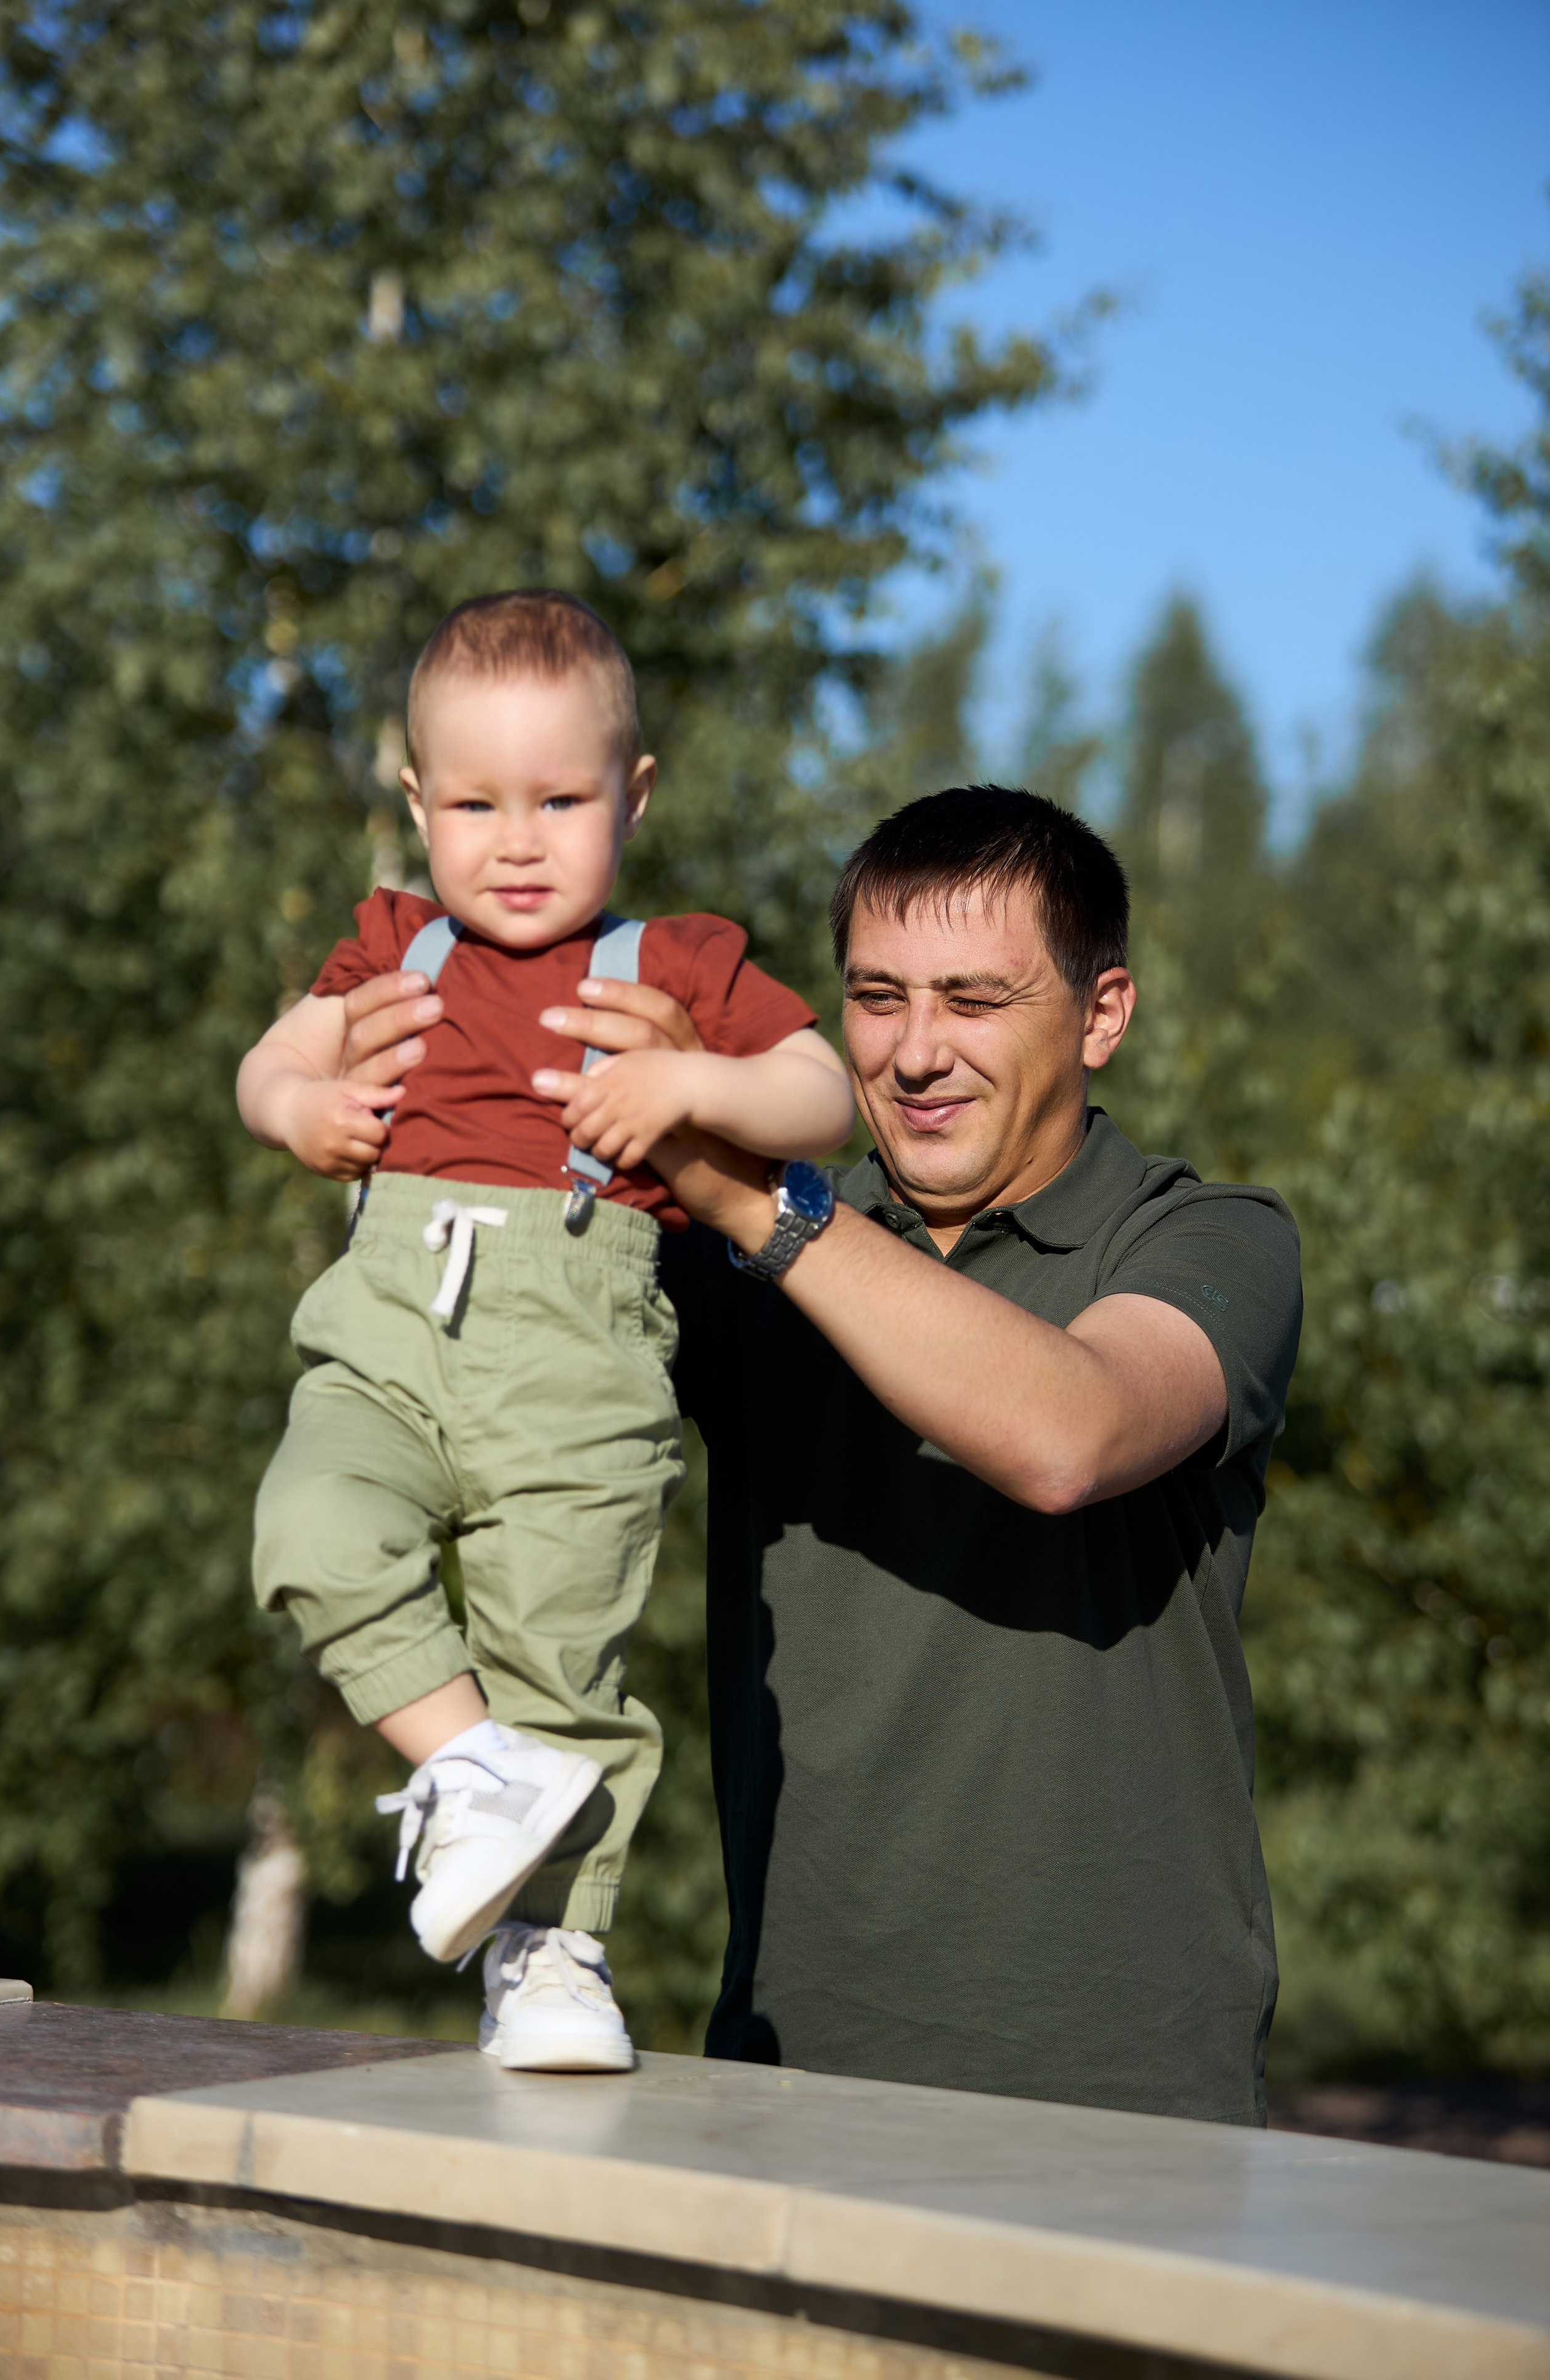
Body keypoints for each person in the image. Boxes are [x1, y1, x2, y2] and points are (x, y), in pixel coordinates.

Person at [324, 783, 1302, 2125]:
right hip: (794, 2067)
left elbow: (1069, 1435)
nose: (913, 1053)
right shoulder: (736, 1255)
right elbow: (486, 1433)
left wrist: (742, 1198)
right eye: (877, 998)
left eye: (974, 1000)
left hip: (1125, 2081)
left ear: (1102, 1013)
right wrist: (441, 1117)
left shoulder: (1208, 1240)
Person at [237, 590, 853, 2073]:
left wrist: (698, 1090)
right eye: (472, 802)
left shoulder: (677, 963)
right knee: (311, 1528)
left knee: (559, 1655)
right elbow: (271, 1062)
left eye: (559, 800)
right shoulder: (396, 940)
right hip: (387, 1328)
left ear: (630, 799)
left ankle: (552, 1958)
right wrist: (305, 1109)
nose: (515, 841)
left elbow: (822, 1093)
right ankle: (463, 1762)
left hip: (577, 1364)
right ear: (414, 802)